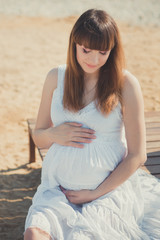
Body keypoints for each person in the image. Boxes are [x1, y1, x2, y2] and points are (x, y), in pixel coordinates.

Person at [24, 9, 160, 240]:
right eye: (86, 50)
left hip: (107, 192)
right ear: (74, 44)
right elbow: (38, 134)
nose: (93, 60)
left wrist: (93, 193)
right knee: (33, 235)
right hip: (58, 191)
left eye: (103, 52)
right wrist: (55, 134)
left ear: (112, 50)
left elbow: (137, 156)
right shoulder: (55, 77)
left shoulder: (126, 83)